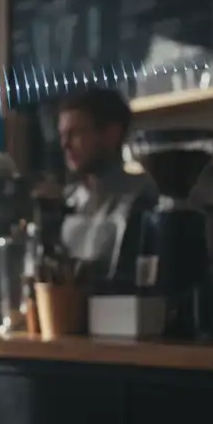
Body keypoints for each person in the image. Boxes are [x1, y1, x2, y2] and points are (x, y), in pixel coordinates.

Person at [57, 88, 157, 286]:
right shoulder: (64, 202)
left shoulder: (141, 198)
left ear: (112, 134)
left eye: (75, 133)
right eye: (62, 135)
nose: (65, 145)